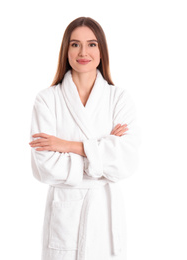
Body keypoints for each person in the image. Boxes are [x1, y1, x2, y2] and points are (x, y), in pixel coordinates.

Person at [29, 16, 139, 260]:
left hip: (106, 219)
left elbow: (126, 161)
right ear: (66, 50)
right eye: (75, 44)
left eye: (91, 44)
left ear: (101, 50)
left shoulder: (118, 99)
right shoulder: (47, 100)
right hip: (65, 217)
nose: (83, 52)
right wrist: (102, 152)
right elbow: (46, 167)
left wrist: (67, 146)